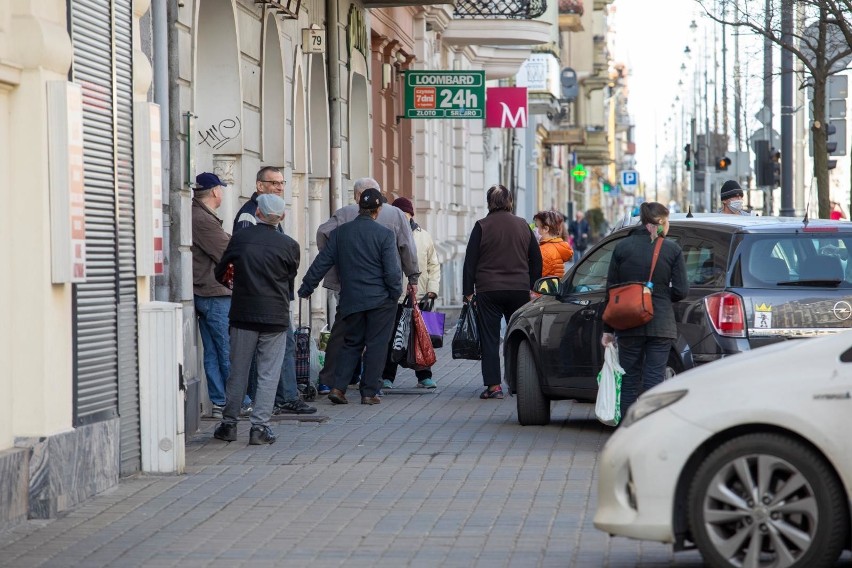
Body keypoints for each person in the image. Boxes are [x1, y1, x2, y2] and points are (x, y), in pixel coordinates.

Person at [315, 178, 420, 394]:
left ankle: (330, 381)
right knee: (377, 338)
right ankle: (372, 385)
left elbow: (323, 233)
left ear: (357, 196)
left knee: (343, 334)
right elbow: (407, 248)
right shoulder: (396, 214)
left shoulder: (345, 213)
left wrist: (336, 261)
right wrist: (412, 278)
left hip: (350, 285)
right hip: (383, 288)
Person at [299, 188, 402, 405]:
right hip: (380, 300)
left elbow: (322, 262)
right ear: (378, 210)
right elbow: (392, 272)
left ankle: (338, 388)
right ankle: (369, 392)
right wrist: (395, 293)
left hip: (351, 299)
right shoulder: (384, 235)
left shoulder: (340, 233)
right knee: (376, 344)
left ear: (359, 208)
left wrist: (307, 286)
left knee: (350, 343)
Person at [213, 194, 301, 445]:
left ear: (258, 214)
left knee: (238, 371)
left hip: (243, 314)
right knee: (268, 373)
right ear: (281, 216)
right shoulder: (290, 245)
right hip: (275, 315)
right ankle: (259, 428)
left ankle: (228, 424)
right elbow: (289, 276)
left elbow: (221, 272)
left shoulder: (241, 238)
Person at [232, 166, 315, 416]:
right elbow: (247, 258)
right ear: (259, 186)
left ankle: (280, 398)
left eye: (282, 183)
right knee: (261, 355)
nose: (279, 187)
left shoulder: (272, 214)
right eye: (274, 183)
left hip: (272, 297)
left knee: (279, 349)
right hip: (261, 298)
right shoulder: (249, 216)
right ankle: (278, 400)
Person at [601, 201, 688, 421]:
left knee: (629, 378)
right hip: (661, 323)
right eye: (666, 222)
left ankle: (627, 430)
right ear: (658, 223)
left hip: (629, 322)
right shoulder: (672, 249)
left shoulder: (622, 247)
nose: (668, 227)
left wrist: (608, 329)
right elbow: (681, 290)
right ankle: (651, 428)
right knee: (654, 378)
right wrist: (659, 296)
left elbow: (610, 290)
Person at [463, 184, 543, 400]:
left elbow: (470, 261)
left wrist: (468, 291)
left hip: (489, 290)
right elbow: (536, 258)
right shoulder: (522, 226)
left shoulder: (482, 226)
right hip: (519, 289)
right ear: (510, 202)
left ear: (489, 202)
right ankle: (519, 382)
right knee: (518, 336)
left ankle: (494, 386)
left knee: (489, 338)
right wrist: (533, 287)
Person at [382, 197, 441, 390]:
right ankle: (387, 376)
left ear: (411, 215)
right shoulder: (387, 234)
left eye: (405, 214)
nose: (402, 218)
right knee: (392, 337)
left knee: (421, 337)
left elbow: (433, 264)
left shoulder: (424, 236)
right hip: (396, 296)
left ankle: (424, 376)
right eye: (399, 214)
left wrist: (433, 288)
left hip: (421, 295)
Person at [191, 172, 235, 419]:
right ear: (216, 191)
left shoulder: (200, 215)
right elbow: (227, 251)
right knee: (225, 349)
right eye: (222, 189)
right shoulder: (203, 219)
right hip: (213, 292)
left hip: (205, 290)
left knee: (212, 351)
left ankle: (219, 400)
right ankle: (234, 400)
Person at [533, 210, 573, 278]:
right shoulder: (556, 246)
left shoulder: (545, 251)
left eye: (537, 226)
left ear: (546, 229)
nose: (534, 229)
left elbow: (535, 275)